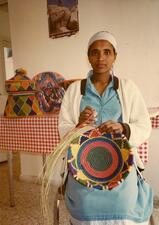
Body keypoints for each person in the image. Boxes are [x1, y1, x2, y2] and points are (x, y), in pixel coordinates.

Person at [58, 31, 153, 225]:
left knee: (124, 204)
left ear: (115, 56)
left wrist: (123, 128)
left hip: (121, 162)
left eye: (107, 52)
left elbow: (144, 125)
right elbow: (63, 128)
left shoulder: (128, 88)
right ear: (88, 57)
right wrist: (79, 124)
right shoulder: (75, 90)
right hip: (83, 164)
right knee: (85, 204)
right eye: (95, 52)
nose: (101, 58)